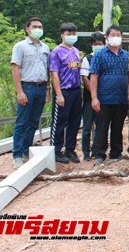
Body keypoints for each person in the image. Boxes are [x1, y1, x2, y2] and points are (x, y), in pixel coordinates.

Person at [10, 17, 50, 169]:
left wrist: (47, 90)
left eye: (40, 26)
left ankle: (27, 151)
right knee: (22, 122)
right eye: (35, 26)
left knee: (33, 122)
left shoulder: (45, 48)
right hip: (27, 87)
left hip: (41, 88)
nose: (38, 29)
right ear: (28, 29)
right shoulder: (20, 47)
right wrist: (19, 91)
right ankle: (17, 155)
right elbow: (15, 69)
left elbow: (47, 70)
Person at [90, 26, 129, 165]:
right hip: (104, 98)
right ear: (107, 37)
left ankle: (116, 152)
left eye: (118, 35)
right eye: (113, 35)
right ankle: (99, 153)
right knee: (102, 127)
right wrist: (94, 98)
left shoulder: (126, 55)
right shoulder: (99, 55)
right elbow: (94, 77)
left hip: (121, 98)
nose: (116, 37)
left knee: (118, 127)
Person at [49, 23, 82, 164]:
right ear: (62, 35)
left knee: (74, 122)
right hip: (63, 90)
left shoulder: (76, 51)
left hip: (76, 90)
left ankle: (70, 148)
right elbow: (54, 74)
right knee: (60, 122)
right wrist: (59, 94)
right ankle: (55, 150)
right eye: (69, 34)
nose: (72, 36)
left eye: (74, 33)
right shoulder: (56, 52)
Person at [80, 32, 106, 161]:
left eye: (100, 44)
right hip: (90, 98)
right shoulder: (87, 59)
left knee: (100, 126)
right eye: (95, 44)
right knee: (87, 126)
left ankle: (96, 151)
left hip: (104, 98)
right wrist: (93, 93)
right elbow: (85, 77)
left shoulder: (106, 57)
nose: (97, 46)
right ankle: (85, 152)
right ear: (91, 45)